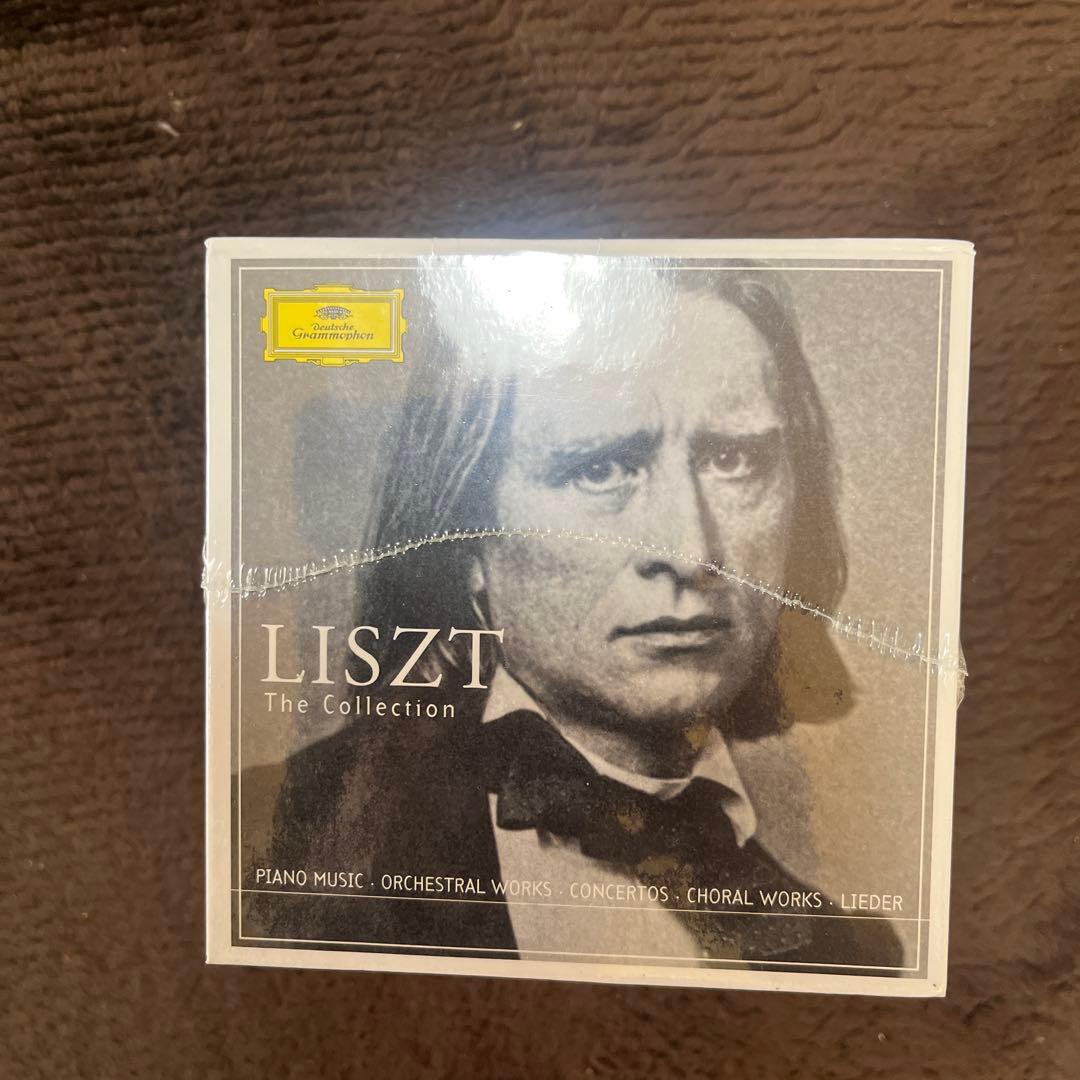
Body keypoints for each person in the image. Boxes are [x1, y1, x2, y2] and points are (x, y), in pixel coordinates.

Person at [254, 260, 902, 970]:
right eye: (600, 469)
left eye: (732, 459)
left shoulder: (850, 957)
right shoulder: (252, 847)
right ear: (464, 537)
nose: (692, 552)